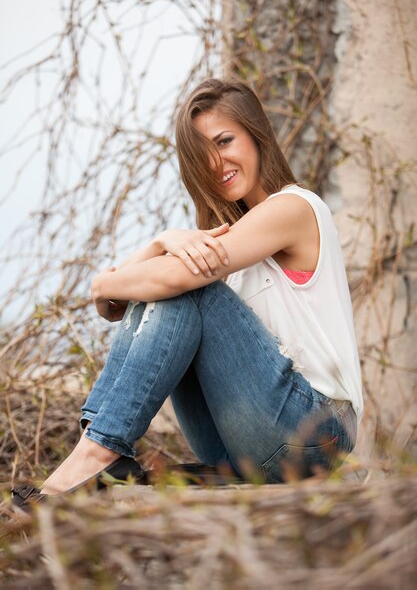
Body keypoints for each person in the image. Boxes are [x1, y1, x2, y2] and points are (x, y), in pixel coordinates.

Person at [12, 79, 362, 507]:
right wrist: (160, 242)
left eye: (225, 140)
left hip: (314, 434)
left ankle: (98, 452)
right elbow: (114, 309)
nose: (216, 162)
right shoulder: (226, 243)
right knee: (169, 287)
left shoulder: (294, 207)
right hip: (239, 446)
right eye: (202, 155)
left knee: (188, 288)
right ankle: (98, 449)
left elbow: (116, 294)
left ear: (257, 134)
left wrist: (103, 282)